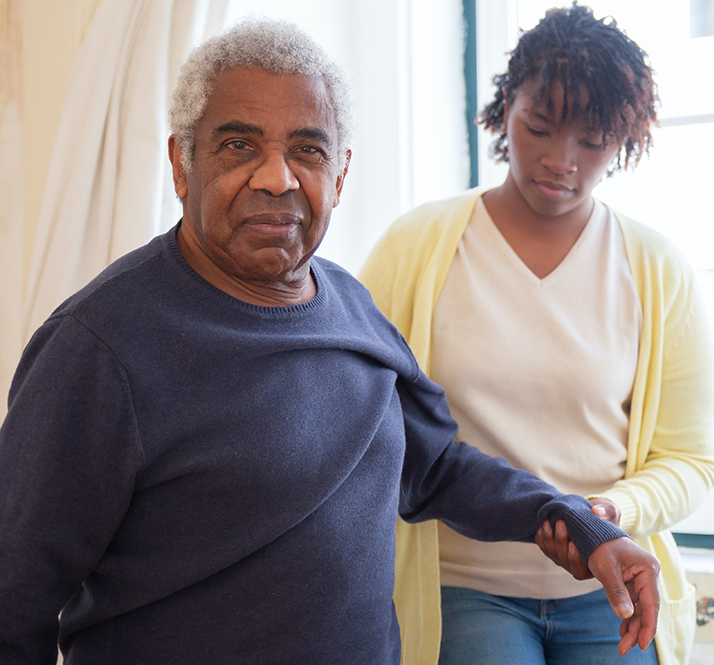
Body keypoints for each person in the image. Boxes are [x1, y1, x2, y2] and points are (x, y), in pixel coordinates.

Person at [0, 20, 661, 665]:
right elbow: (14, 599)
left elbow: (435, 469)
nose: (277, 178)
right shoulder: (97, 348)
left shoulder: (352, 307)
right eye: (238, 145)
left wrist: (574, 519)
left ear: (340, 175)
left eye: (308, 150)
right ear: (181, 162)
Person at [358, 5, 714, 664]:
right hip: (463, 584)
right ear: (506, 108)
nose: (560, 161)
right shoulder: (414, 248)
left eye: (592, 140)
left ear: (627, 137)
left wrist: (607, 511)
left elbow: (691, 459)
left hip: (610, 580)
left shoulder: (657, 268)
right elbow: (362, 414)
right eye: (539, 127)